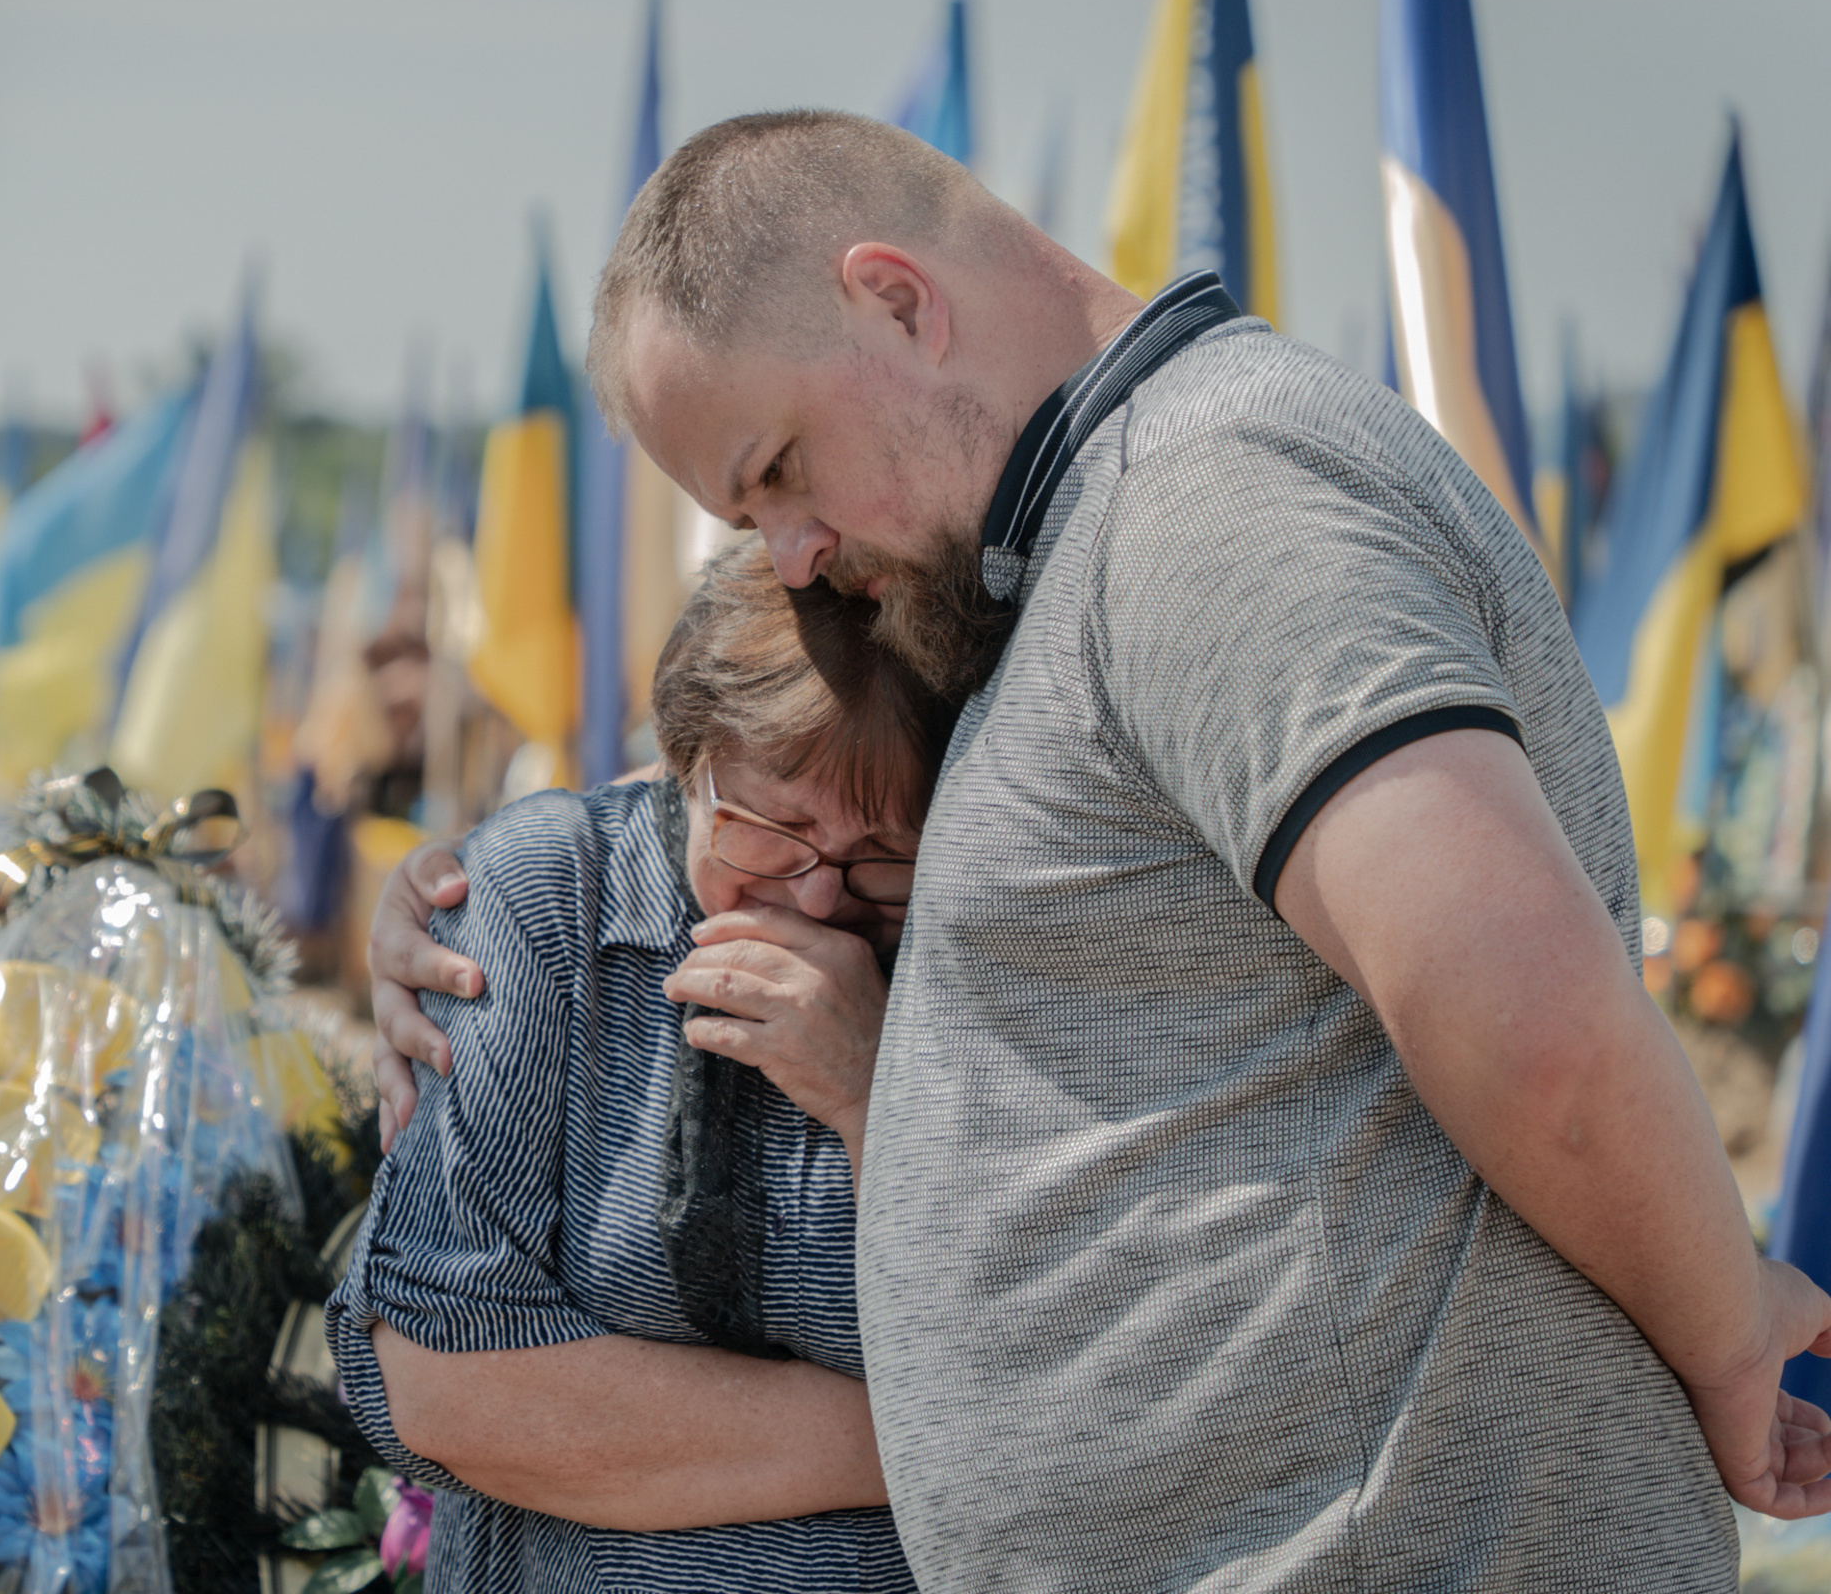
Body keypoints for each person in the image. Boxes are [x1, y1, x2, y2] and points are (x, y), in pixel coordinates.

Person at [370, 109, 1831, 1591]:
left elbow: (1532, 1021)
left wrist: (1723, 1339)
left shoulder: (1208, 501)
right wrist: (488, 887)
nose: (790, 552)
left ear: (896, 299)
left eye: (780, 471)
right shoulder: (1100, 541)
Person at [326, 540, 956, 1591]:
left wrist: (871, 1098)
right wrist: (918, 1438)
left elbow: (1039, 1332)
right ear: (684, 763)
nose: (813, 900)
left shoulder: (971, 931)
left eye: (878, 852)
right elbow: (444, 1384)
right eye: (770, 832)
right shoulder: (542, 901)